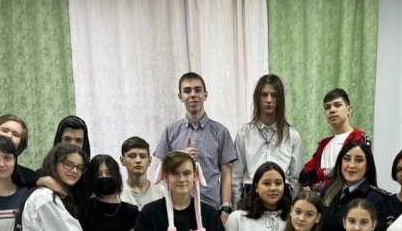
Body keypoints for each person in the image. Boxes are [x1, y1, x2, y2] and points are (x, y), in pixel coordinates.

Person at [154, 73, 238, 223]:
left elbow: (226, 173)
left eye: (198, 90)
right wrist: (180, 156)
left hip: (211, 208)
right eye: (187, 91)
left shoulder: (220, 132)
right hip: (177, 209)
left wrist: (226, 208)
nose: (193, 95)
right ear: (180, 97)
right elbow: (162, 171)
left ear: (205, 95)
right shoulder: (171, 131)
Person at [231, 74, 304, 201]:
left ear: (280, 99)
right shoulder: (244, 134)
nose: (269, 100)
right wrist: (237, 206)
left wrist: (294, 206)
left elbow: (296, 178)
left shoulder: (292, 135)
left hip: (281, 196)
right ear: (257, 98)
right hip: (251, 195)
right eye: (264, 95)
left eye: (274, 95)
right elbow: (236, 176)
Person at [320, 141, 394, 231]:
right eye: (347, 159)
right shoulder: (327, 192)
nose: (351, 165)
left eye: (359, 160)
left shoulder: (379, 199)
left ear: (368, 166)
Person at [299, 88, 370, 193]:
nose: (332, 110)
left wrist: (319, 183)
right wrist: (329, 173)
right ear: (324, 114)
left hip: (350, 200)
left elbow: (353, 174)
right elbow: (303, 177)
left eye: (337, 105)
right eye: (327, 107)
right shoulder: (324, 144)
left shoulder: (360, 138)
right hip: (322, 202)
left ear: (349, 109)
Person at [120, 137, 166, 210]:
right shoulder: (117, 195)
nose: (138, 160)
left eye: (142, 156)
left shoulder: (162, 192)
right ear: (122, 160)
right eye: (132, 156)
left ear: (149, 161)